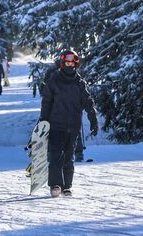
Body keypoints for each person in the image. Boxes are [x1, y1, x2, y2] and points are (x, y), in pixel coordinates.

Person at [40, 49, 98, 197]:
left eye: (72, 63)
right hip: (56, 124)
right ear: (62, 63)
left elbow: (88, 102)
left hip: (73, 126)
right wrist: (43, 121)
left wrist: (93, 118)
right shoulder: (54, 81)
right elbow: (46, 102)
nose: (69, 65)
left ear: (76, 64)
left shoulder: (79, 83)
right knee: (55, 155)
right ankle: (55, 185)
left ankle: (66, 186)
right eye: (66, 62)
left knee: (69, 156)